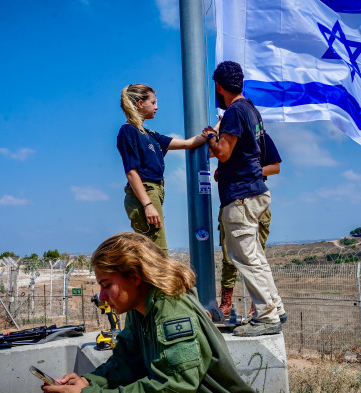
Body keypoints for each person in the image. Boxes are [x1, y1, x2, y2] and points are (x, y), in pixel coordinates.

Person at [41, 232, 262, 393]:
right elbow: (127, 361)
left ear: (135, 277)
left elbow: (173, 389)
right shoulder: (141, 309)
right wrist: (89, 382)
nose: (101, 296)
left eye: (107, 285)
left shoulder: (172, 309)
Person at [203, 61, 286, 337]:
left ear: (218, 86)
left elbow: (224, 152)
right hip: (255, 191)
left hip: (240, 196)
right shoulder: (251, 110)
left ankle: (265, 317)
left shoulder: (234, 112)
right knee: (256, 257)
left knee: (246, 259)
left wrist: (210, 137)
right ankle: (275, 307)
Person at [117, 84, 207, 255]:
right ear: (140, 104)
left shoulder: (150, 134)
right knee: (159, 255)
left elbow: (188, 143)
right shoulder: (128, 131)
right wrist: (148, 204)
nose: (156, 107)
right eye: (153, 102)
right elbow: (131, 172)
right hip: (146, 192)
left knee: (153, 254)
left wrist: (215, 128)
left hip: (156, 191)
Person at [217, 130, 284, 321]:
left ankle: (261, 307)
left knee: (255, 257)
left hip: (252, 200)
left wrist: (250, 173)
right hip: (232, 201)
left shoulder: (259, 137)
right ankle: (226, 303)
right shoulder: (225, 141)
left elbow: (275, 167)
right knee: (229, 257)